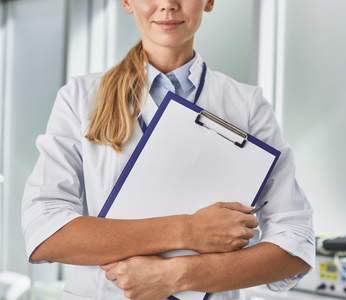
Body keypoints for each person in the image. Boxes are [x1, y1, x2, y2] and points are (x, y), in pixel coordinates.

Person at [21, 0, 315, 299]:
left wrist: (179, 275)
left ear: (209, 1)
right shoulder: (81, 98)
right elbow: (46, 232)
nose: (167, 5)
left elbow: (296, 243)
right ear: (126, 2)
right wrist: (188, 230)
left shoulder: (247, 106)